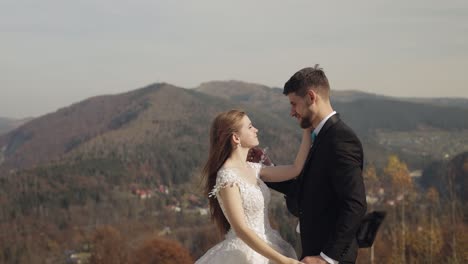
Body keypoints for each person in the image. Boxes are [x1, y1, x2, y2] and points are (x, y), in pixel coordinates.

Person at [255, 65, 367, 264]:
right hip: (312, 248)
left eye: (294, 104)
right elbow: (305, 186)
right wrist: (262, 171)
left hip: (330, 256)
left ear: (311, 97)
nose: (292, 112)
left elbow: (355, 205)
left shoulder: (340, 140)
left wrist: (327, 258)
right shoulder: (319, 136)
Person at [196, 109, 311, 264]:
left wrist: (307, 130)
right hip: (246, 255)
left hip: (270, 245)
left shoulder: (254, 168)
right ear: (236, 138)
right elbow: (241, 230)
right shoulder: (227, 178)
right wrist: (283, 260)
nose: (256, 129)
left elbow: (295, 169)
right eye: (250, 127)